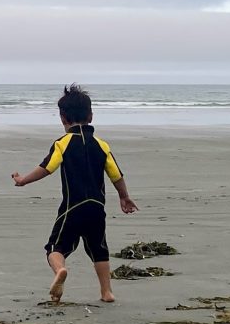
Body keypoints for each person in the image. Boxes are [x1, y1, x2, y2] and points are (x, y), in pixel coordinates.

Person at [11, 84, 139, 303]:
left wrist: (23, 180)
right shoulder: (102, 145)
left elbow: (47, 168)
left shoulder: (62, 143)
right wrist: (124, 197)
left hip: (73, 207)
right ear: (91, 116)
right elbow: (116, 175)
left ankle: (60, 270)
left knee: (55, 247)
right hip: (97, 208)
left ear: (63, 118)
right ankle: (106, 292)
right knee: (99, 249)